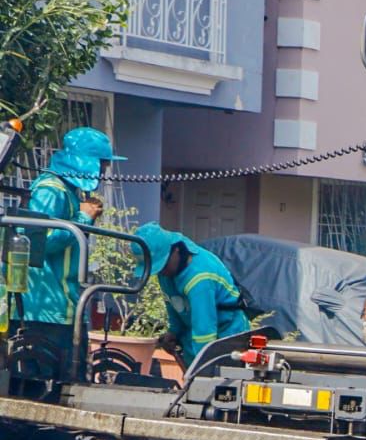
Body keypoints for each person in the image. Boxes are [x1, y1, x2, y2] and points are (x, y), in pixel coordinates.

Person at [19, 127, 123, 326]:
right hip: (45, 310)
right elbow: (40, 241)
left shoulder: (69, 192)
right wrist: (83, 218)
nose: (103, 172)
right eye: (101, 165)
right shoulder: (51, 190)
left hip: (61, 306)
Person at [134, 223, 250, 366]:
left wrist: (200, 370)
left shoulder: (200, 278)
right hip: (194, 337)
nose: (160, 272)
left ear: (175, 250)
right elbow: (173, 303)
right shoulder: (167, 272)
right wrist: (174, 332)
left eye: (162, 265)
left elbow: (205, 332)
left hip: (225, 338)